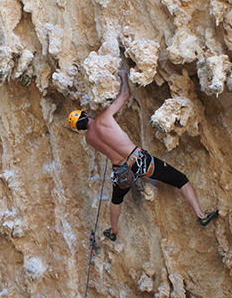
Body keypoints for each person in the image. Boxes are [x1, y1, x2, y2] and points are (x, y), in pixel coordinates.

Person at [68, 72, 218, 241]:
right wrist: (124, 77)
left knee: (116, 200)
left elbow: (107, 134)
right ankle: (201, 214)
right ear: (86, 115)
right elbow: (124, 95)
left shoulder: (89, 139)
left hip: (121, 171)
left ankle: (114, 231)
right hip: (140, 162)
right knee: (181, 180)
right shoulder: (104, 117)